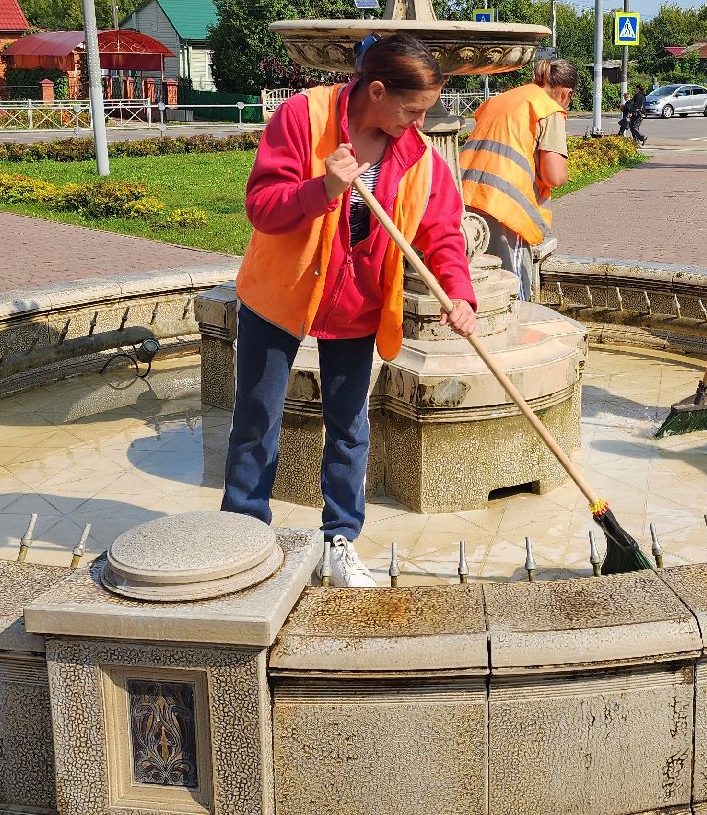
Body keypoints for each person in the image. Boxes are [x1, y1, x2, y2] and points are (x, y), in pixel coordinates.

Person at [226, 34, 478, 587]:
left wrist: (458, 292)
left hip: (359, 303)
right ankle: (242, 536)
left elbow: (441, 233)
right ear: (378, 90)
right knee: (257, 417)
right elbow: (262, 208)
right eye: (411, 110)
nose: (417, 123)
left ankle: (339, 539)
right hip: (282, 293)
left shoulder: (418, 157)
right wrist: (323, 188)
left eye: (425, 113)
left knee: (349, 426)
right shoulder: (303, 116)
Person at [459, 59, 573, 301]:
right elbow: (554, 176)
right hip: (507, 207)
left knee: (478, 281)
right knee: (514, 286)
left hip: (466, 196)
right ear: (566, 93)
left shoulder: (503, 98)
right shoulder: (548, 108)